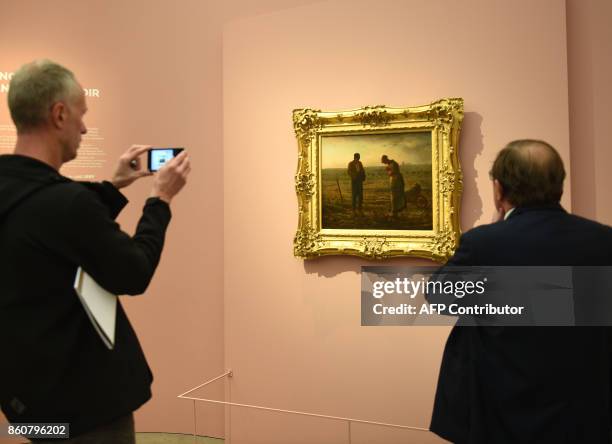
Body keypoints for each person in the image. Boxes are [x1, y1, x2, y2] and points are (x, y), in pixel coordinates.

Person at [0, 60, 190, 442]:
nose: (85, 128)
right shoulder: (65, 203)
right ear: (59, 114)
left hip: (28, 407)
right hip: (88, 414)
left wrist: (112, 186)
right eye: (81, 115)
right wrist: (161, 200)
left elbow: (48, 225)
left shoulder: (20, 190)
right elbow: (134, 273)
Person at [429, 140, 612, 443]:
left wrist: (490, 233)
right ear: (560, 186)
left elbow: (439, 296)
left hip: (500, 412)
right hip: (582, 411)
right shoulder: (604, 240)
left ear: (498, 189)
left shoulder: (484, 243)